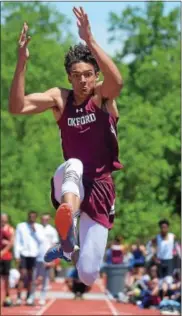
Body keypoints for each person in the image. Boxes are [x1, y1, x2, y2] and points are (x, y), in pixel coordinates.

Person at [9, 6, 123, 287]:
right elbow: (17, 106)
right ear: (69, 77)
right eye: (75, 75)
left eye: (87, 74)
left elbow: (117, 82)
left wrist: (90, 39)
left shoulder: (101, 98)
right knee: (74, 165)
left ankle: (68, 248)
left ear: (95, 75)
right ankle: (67, 230)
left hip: (100, 187)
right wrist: (21, 62)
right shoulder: (61, 99)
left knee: (87, 274)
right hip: (72, 181)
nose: (82, 80)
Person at [27, 213, 59, 305]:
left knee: (45, 279)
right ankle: (31, 297)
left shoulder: (52, 230)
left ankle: (42, 297)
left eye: (46, 219)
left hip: (47, 258)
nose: (44, 220)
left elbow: (54, 245)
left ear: (49, 220)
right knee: (34, 278)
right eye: (43, 219)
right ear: (40, 219)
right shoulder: (37, 228)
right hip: (36, 256)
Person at [14, 211, 45, 305]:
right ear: (28, 217)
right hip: (23, 253)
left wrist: (35, 231)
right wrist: (17, 255)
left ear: (36, 218)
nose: (32, 218)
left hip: (34, 254)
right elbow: (17, 241)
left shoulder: (39, 227)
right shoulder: (21, 226)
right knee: (23, 275)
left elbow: (42, 240)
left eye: (33, 217)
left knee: (31, 277)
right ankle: (19, 297)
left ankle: (28, 297)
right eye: (30, 216)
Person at [0, 213, 14, 307]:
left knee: (6, 278)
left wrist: (3, 251)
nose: (3, 220)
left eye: (5, 218)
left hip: (6, 256)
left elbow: (11, 243)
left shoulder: (10, 229)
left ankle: (7, 296)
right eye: (2, 218)